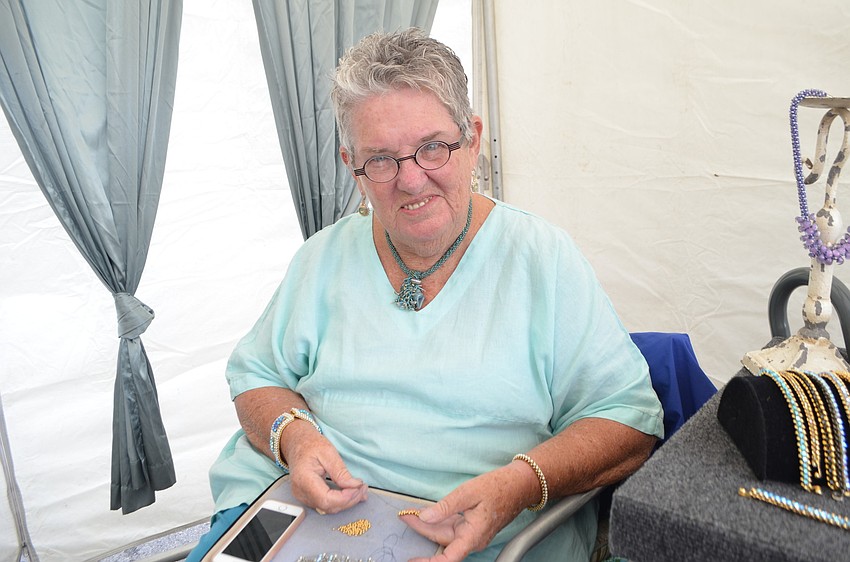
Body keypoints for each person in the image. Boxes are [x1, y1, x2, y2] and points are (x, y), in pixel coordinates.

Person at [187, 27, 663, 562]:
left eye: (432, 148)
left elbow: (627, 421)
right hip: (300, 516)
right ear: (352, 167)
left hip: (475, 540)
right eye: (382, 160)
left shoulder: (541, 260)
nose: (412, 181)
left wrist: (518, 487)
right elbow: (258, 378)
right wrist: (294, 438)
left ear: (473, 139)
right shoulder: (321, 259)